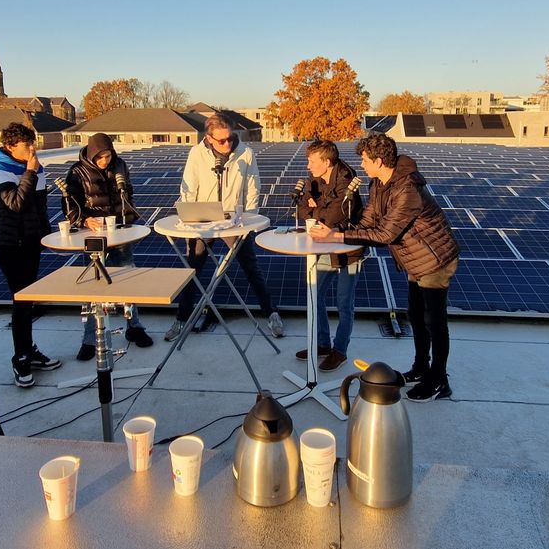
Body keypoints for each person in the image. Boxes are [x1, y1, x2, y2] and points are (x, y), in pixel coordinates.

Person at [310, 133, 460, 401]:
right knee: (416, 315)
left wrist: (337, 238)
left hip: (434, 258)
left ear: (379, 160)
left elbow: (385, 234)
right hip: (415, 258)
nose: (362, 165)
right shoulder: (379, 182)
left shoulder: (407, 189)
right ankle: (420, 368)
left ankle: (438, 380)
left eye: (365, 160)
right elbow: (368, 219)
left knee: (434, 321)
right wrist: (337, 229)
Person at [167, 113, 284, 341]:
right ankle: (181, 319)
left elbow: (253, 187)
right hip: (203, 220)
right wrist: (189, 217)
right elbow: (188, 187)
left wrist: (248, 219)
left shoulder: (245, 153)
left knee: (252, 269)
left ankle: (272, 314)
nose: (227, 144)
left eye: (230, 138)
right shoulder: (197, 154)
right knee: (192, 271)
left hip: (234, 221)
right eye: (221, 140)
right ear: (209, 138)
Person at [63, 132, 154, 359]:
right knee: (94, 288)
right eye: (101, 157)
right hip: (94, 236)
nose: (105, 161)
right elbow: (69, 204)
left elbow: (128, 194)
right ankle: (90, 340)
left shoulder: (120, 166)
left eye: (108, 156)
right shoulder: (77, 172)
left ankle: (135, 327)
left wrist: (129, 218)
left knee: (128, 280)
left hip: (119, 232)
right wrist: (83, 219)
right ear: (92, 155)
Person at [0, 122, 62, 389]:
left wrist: (48, 237)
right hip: (10, 246)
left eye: (33, 143)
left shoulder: (36, 171)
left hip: (31, 244)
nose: (33, 149)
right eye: (27, 145)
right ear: (10, 146)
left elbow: (39, 209)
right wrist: (30, 173)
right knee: (21, 302)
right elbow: (17, 204)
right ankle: (20, 357)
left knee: (28, 302)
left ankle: (29, 351)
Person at [296, 139, 363, 372]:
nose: (308, 166)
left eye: (311, 161)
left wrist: (316, 208)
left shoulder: (347, 180)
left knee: (344, 302)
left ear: (326, 162)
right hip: (324, 243)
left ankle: (340, 351)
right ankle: (323, 344)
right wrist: (317, 208)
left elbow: (333, 218)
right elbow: (302, 208)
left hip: (348, 246)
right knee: (315, 294)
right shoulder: (315, 178)